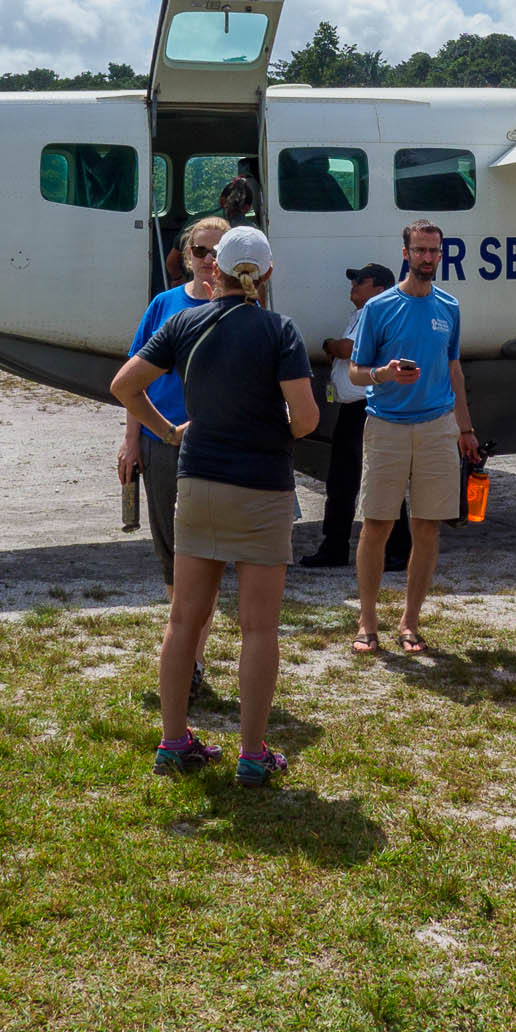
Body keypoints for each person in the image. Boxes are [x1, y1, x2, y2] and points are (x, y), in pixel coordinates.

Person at [111, 225, 320, 785]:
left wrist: (168, 432)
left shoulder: (180, 320)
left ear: (213, 269)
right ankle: (253, 754)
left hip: (197, 482)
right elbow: (305, 420)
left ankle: (173, 742)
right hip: (263, 489)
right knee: (259, 629)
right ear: (267, 273)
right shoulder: (280, 331)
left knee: (184, 621)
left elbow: (125, 385)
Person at [346, 218, 479, 655]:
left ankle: (410, 622)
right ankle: (367, 621)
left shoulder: (450, 307)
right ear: (405, 254)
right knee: (377, 525)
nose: (427, 258)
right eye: (420, 250)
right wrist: (382, 375)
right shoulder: (379, 308)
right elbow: (355, 371)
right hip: (386, 423)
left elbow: (454, 368)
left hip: (438, 427)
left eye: (434, 251)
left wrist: (466, 428)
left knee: (427, 528)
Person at [119, 215, 232, 702]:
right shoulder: (164, 306)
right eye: (201, 251)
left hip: (221, 447)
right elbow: (132, 382)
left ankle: (192, 660)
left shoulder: (240, 309)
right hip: (165, 444)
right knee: (174, 560)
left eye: (218, 252)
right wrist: (133, 440)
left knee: (209, 557)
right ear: (187, 257)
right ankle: (188, 659)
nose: (209, 260)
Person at [302, 263, 397, 569]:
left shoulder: (378, 313)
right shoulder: (361, 314)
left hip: (367, 408)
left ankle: (397, 549)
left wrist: (330, 345)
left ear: (379, 289)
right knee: (344, 481)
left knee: (375, 480)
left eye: (361, 280)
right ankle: (336, 546)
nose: (354, 284)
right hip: (353, 408)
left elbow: (351, 349)